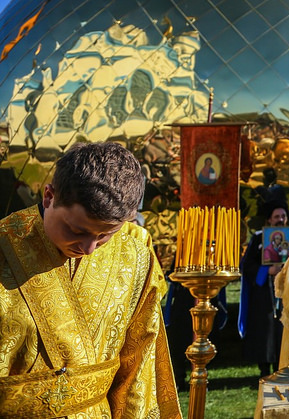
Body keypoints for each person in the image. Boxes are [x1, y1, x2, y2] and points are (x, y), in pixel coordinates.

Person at [0, 141, 181, 418]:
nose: (88, 248)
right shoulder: (3, 246)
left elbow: (137, 370)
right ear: (49, 197)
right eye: (76, 229)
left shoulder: (134, 258)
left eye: (104, 236)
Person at [240, 201, 289, 377]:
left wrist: (287, 269)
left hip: (286, 292)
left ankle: (281, 366)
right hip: (264, 293)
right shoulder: (259, 238)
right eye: (277, 217)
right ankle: (264, 369)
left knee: (282, 328)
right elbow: (247, 265)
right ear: (269, 220)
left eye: (283, 216)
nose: (280, 220)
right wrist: (268, 270)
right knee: (264, 329)